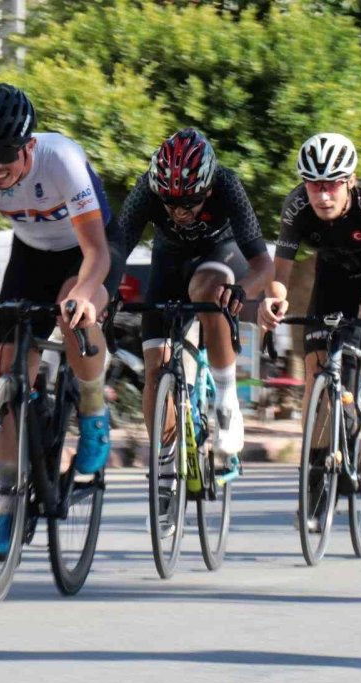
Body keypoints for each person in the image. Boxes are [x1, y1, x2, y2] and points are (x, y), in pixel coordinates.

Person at [0, 83, 122, 559]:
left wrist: (80, 292)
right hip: (30, 253)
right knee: (8, 374)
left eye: (4, 153)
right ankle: (10, 506)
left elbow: (96, 252)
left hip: (90, 249)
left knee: (73, 310)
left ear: (28, 144)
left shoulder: (62, 160)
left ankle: (94, 414)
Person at [258, 133, 361, 530]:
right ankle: (314, 492)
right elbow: (281, 276)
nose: (322, 196)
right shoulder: (296, 207)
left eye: (331, 185)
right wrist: (273, 301)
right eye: (314, 185)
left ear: (350, 181)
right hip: (332, 278)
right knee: (315, 384)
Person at [116, 128, 273, 457]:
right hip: (169, 263)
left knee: (207, 289)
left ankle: (226, 401)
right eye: (170, 204)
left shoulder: (227, 184)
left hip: (219, 254)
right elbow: (116, 249)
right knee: (156, 371)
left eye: (189, 203)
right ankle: (165, 473)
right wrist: (104, 290)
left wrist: (242, 290)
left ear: (209, 186)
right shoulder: (147, 188)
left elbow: (263, 265)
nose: (179, 213)